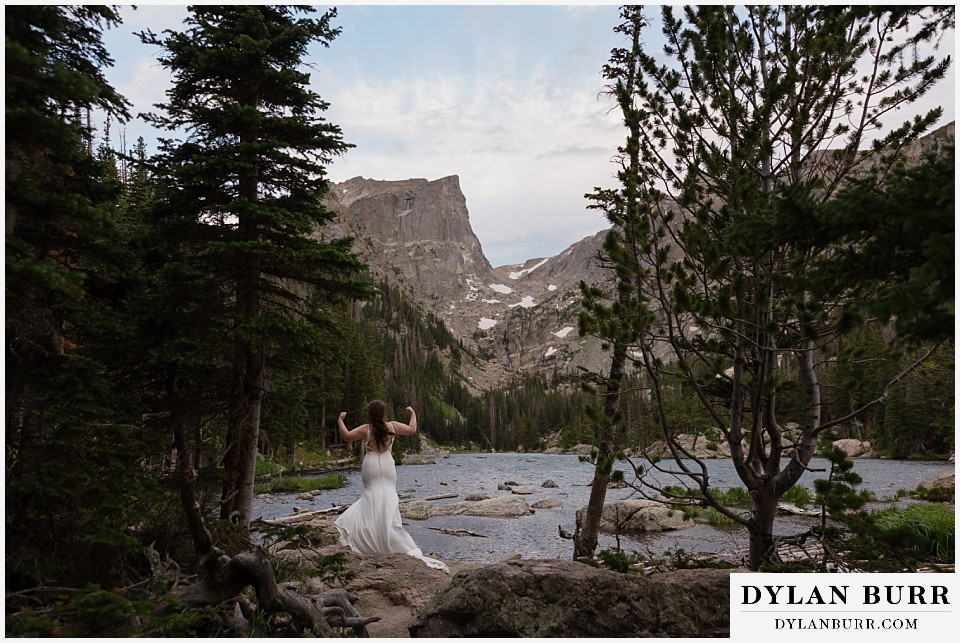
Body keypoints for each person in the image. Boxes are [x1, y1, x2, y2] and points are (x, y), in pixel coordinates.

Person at [334, 401, 449, 573]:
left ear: (370, 414)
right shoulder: (392, 426)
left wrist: (340, 420)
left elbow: (346, 436)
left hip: (371, 464)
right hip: (387, 465)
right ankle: (390, 534)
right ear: (383, 413)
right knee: (388, 497)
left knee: (370, 497)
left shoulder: (366, 429)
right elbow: (412, 429)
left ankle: (369, 537)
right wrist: (412, 414)